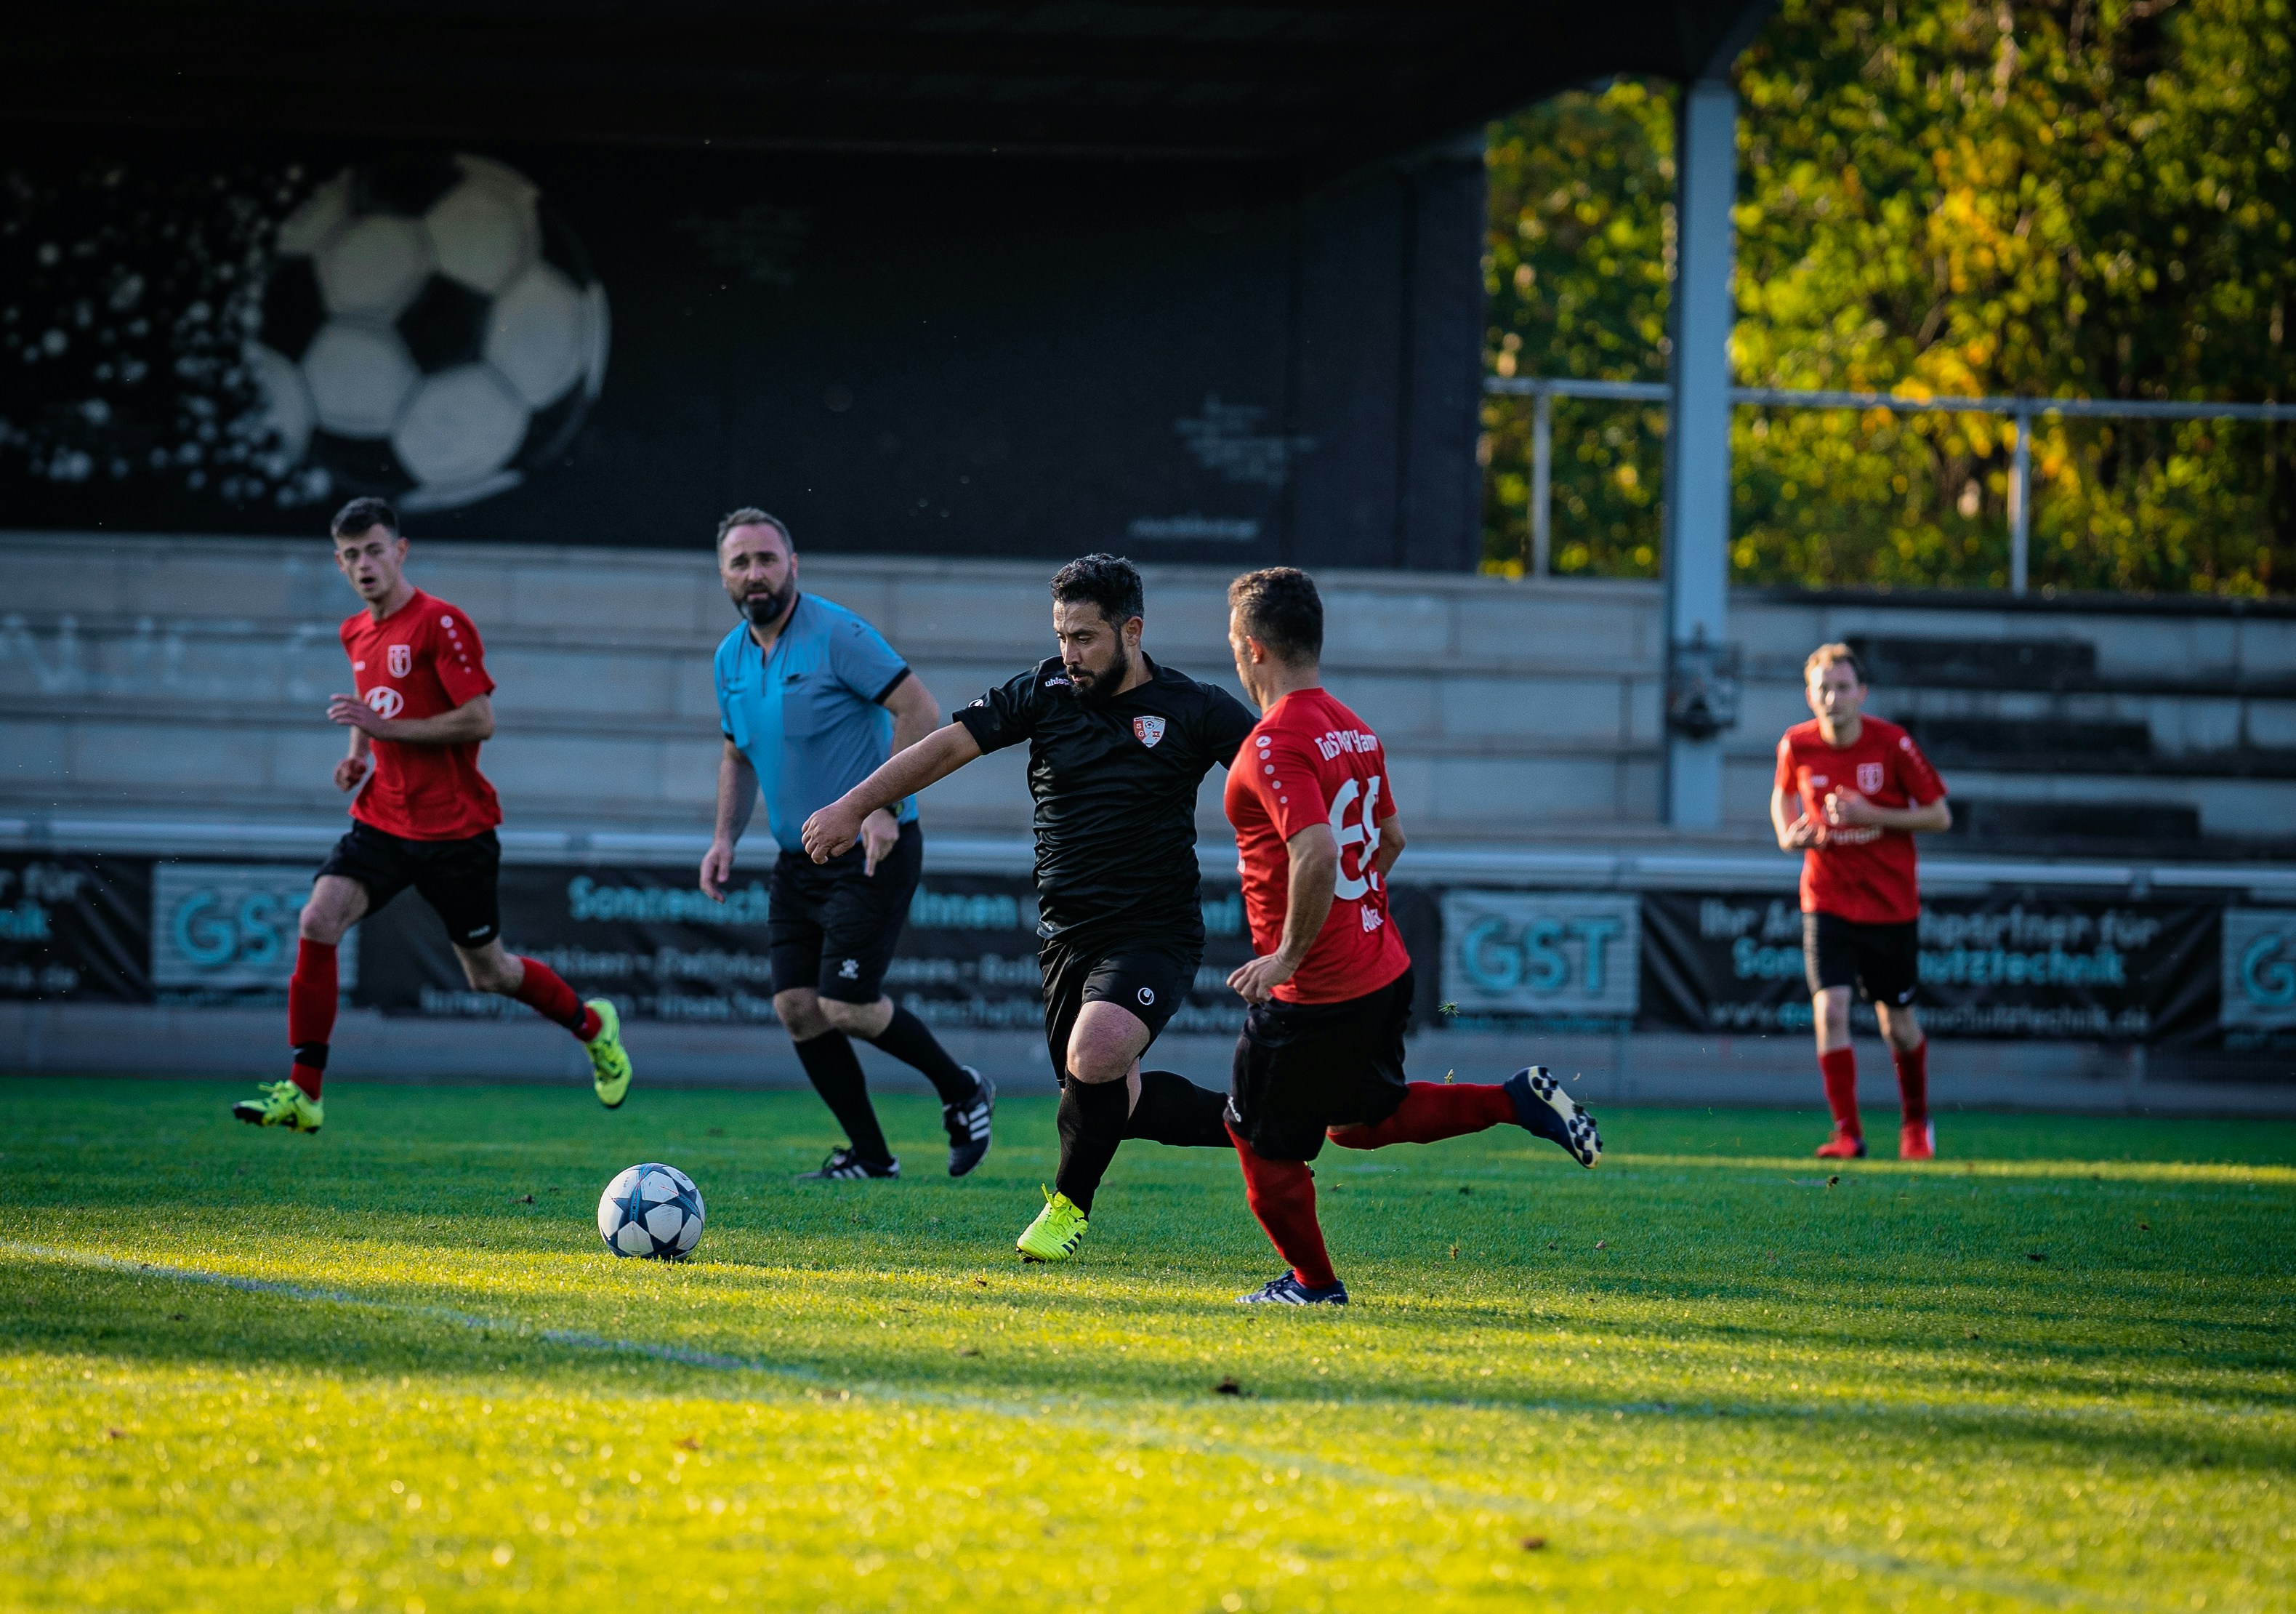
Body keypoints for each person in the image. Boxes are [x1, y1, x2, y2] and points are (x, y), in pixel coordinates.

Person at [802, 553, 1246, 1261]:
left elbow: (1272, 771)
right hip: (1066, 937)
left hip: (1155, 932)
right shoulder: (1042, 690)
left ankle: (1066, 1212)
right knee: (1102, 1095)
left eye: (1085, 638)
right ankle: (1252, 1121)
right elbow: (948, 746)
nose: (1068, 654)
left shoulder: (1194, 709)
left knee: (1096, 1053)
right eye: (1062, 636)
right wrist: (857, 803)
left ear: (1132, 631)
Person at [1217, 567, 1602, 1304]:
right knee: (1362, 1124)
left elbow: (1319, 849)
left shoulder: (1273, 743)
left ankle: (1314, 1286)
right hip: (1380, 966)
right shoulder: (1353, 727)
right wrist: (1357, 913)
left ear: (1252, 647)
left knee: (1259, 1144)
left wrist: (1288, 956)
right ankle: (1517, 1099)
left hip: (1314, 991)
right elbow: (1389, 839)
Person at [233, 497, 632, 1134]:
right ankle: (304, 1093)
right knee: (318, 918)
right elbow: (375, 701)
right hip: (383, 820)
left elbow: (480, 719)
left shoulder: (441, 623)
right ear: (340, 563)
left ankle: (593, 1027)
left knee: (490, 974)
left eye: (374, 549)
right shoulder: (354, 631)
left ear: (401, 550)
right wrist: (358, 754)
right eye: (351, 555)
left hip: (455, 832)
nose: (365, 564)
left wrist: (383, 728)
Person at [701, 509, 994, 1179]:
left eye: (766, 559)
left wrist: (884, 806)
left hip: (872, 847)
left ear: (792, 564)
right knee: (797, 1008)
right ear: (724, 576)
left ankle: (962, 1089)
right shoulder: (729, 658)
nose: (755, 573)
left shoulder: (837, 633)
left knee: (845, 1004)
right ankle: (870, 1155)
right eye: (740, 562)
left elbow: (919, 711)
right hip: (795, 857)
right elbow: (736, 755)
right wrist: (723, 839)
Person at [1771, 642, 1951, 1162]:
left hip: (1890, 906)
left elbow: (1939, 815)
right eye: (1823, 688)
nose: (1833, 697)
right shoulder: (1796, 745)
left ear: (1861, 693)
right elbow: (1782, 799)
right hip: (1825, 901)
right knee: (1829, 1011)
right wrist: (1791, 836)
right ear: (1809, 695)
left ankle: (1916, 1122)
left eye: (1843, 687)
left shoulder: (1891, 744)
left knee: (1896, 1022)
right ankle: (1847, 1132)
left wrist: (1870, 814)